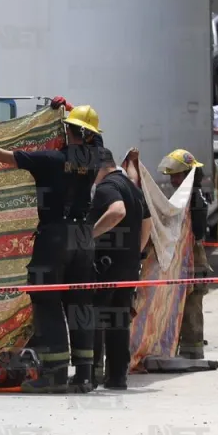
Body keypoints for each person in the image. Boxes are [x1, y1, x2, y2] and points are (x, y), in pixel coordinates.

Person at [0, 97, 101, 394]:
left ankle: (54, 376)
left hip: (55, 237)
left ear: (69, 132)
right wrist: (72, 108)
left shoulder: (49, 160)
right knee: (81, 305)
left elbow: (5, 156)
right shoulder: (95, 160)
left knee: (46, 303)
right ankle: (85, 376)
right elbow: (92, 131)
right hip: (84, 237)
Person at [89, 147, 151, 390]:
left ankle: (92, 373)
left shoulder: (107, 187)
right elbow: (147, 221)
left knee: (94, 318)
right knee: (118, 321)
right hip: (128, 267)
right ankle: (117, 376)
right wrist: (137, 252)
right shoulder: (132, 188)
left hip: (106, 266)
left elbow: (117, 211)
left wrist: (89, 235)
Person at [157, 149, 211, 359]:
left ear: (188, 175)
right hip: (185, 258)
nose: (173, 179)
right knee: (183, 304)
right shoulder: (185, 196)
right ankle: (184, 347)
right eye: (171, 175)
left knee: (192, 306)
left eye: (177, 175)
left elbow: (195, 232)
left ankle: (193, 350)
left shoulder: (194, 198)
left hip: (194, 259)